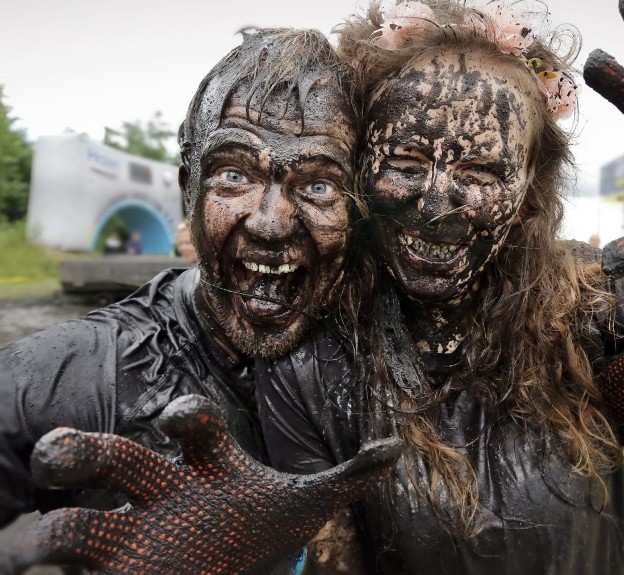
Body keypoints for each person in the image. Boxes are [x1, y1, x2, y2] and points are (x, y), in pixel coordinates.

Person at [251, 1, 624, 573]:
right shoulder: (311, 351)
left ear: (529, 190)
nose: (435, 205)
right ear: (359, 167)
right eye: (406, 164)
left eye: (481, 171)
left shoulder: (603, 310)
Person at [0, 26, 359, 534]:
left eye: (319, 184)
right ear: (189, 191)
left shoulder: (386, 364)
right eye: (234, 176)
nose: (271, 223)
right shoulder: (86, 373)